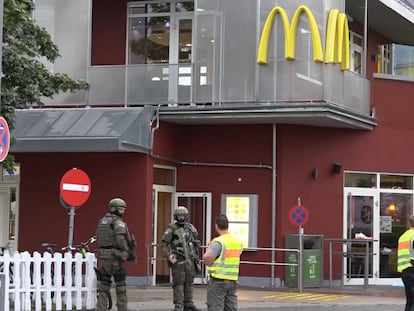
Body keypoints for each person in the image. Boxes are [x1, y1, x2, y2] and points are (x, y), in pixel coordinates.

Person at [95, 198, 136, 311]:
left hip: (103, 256)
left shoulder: (102, 221)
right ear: (114, 209)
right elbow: (120, 240)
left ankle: (101, 308)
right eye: (121, 209)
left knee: (103, 285)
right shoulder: (118, 223)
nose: (122, 212)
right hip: (114, 258)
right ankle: (122, 308)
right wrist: (127, 252)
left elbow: (98, 237)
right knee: (120, 285)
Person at [161, 206, 201, 311]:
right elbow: (164, 244)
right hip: (178, 260)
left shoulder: (190, 227)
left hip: (190, 260)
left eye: (183, 215)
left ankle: (188, 303)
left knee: (189, 282)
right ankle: (179, 304)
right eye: (179, 215)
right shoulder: (172, 228)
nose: (181, 217)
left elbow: (196, 241)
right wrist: (168, 255)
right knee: (178, 283)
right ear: (176, 216)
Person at [203, 214, 243, 311]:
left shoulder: (219, 242)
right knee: (230, 308)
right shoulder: (237, 241)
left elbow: (207, 259)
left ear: (216, 226)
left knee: (215, 307)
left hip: (218, 281)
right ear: (227, 225)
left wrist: (208, 250)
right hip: (232, 281)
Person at [398, 214, 414, 311]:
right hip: (412, 269)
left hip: (405, 272)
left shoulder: (403, 236)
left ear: (409, 223)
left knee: (410, 301)